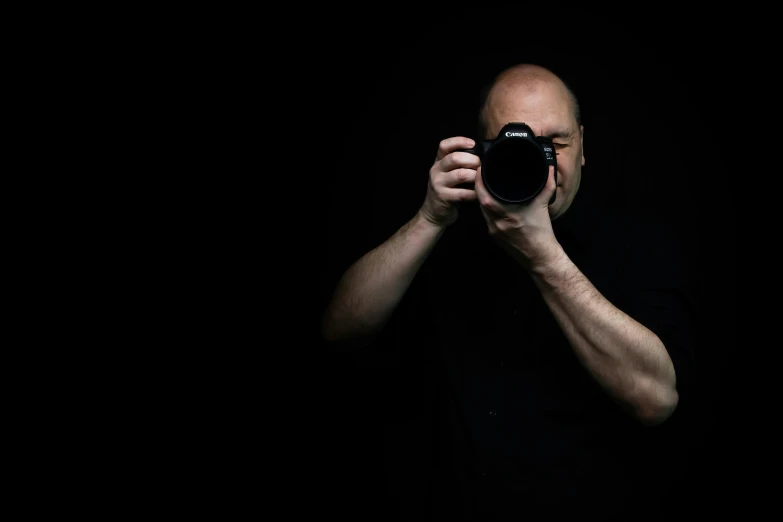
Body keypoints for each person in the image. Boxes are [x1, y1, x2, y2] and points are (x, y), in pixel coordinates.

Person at [320, 63, 695, 519]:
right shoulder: (444, 232)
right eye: (516, 146)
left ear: (582, 148)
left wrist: (543, 255)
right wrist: (429, 220)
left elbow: (656, 399)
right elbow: (338, 332)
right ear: (480, 151)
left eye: (555, 144)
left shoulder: (638, 242)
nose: (541, 162)